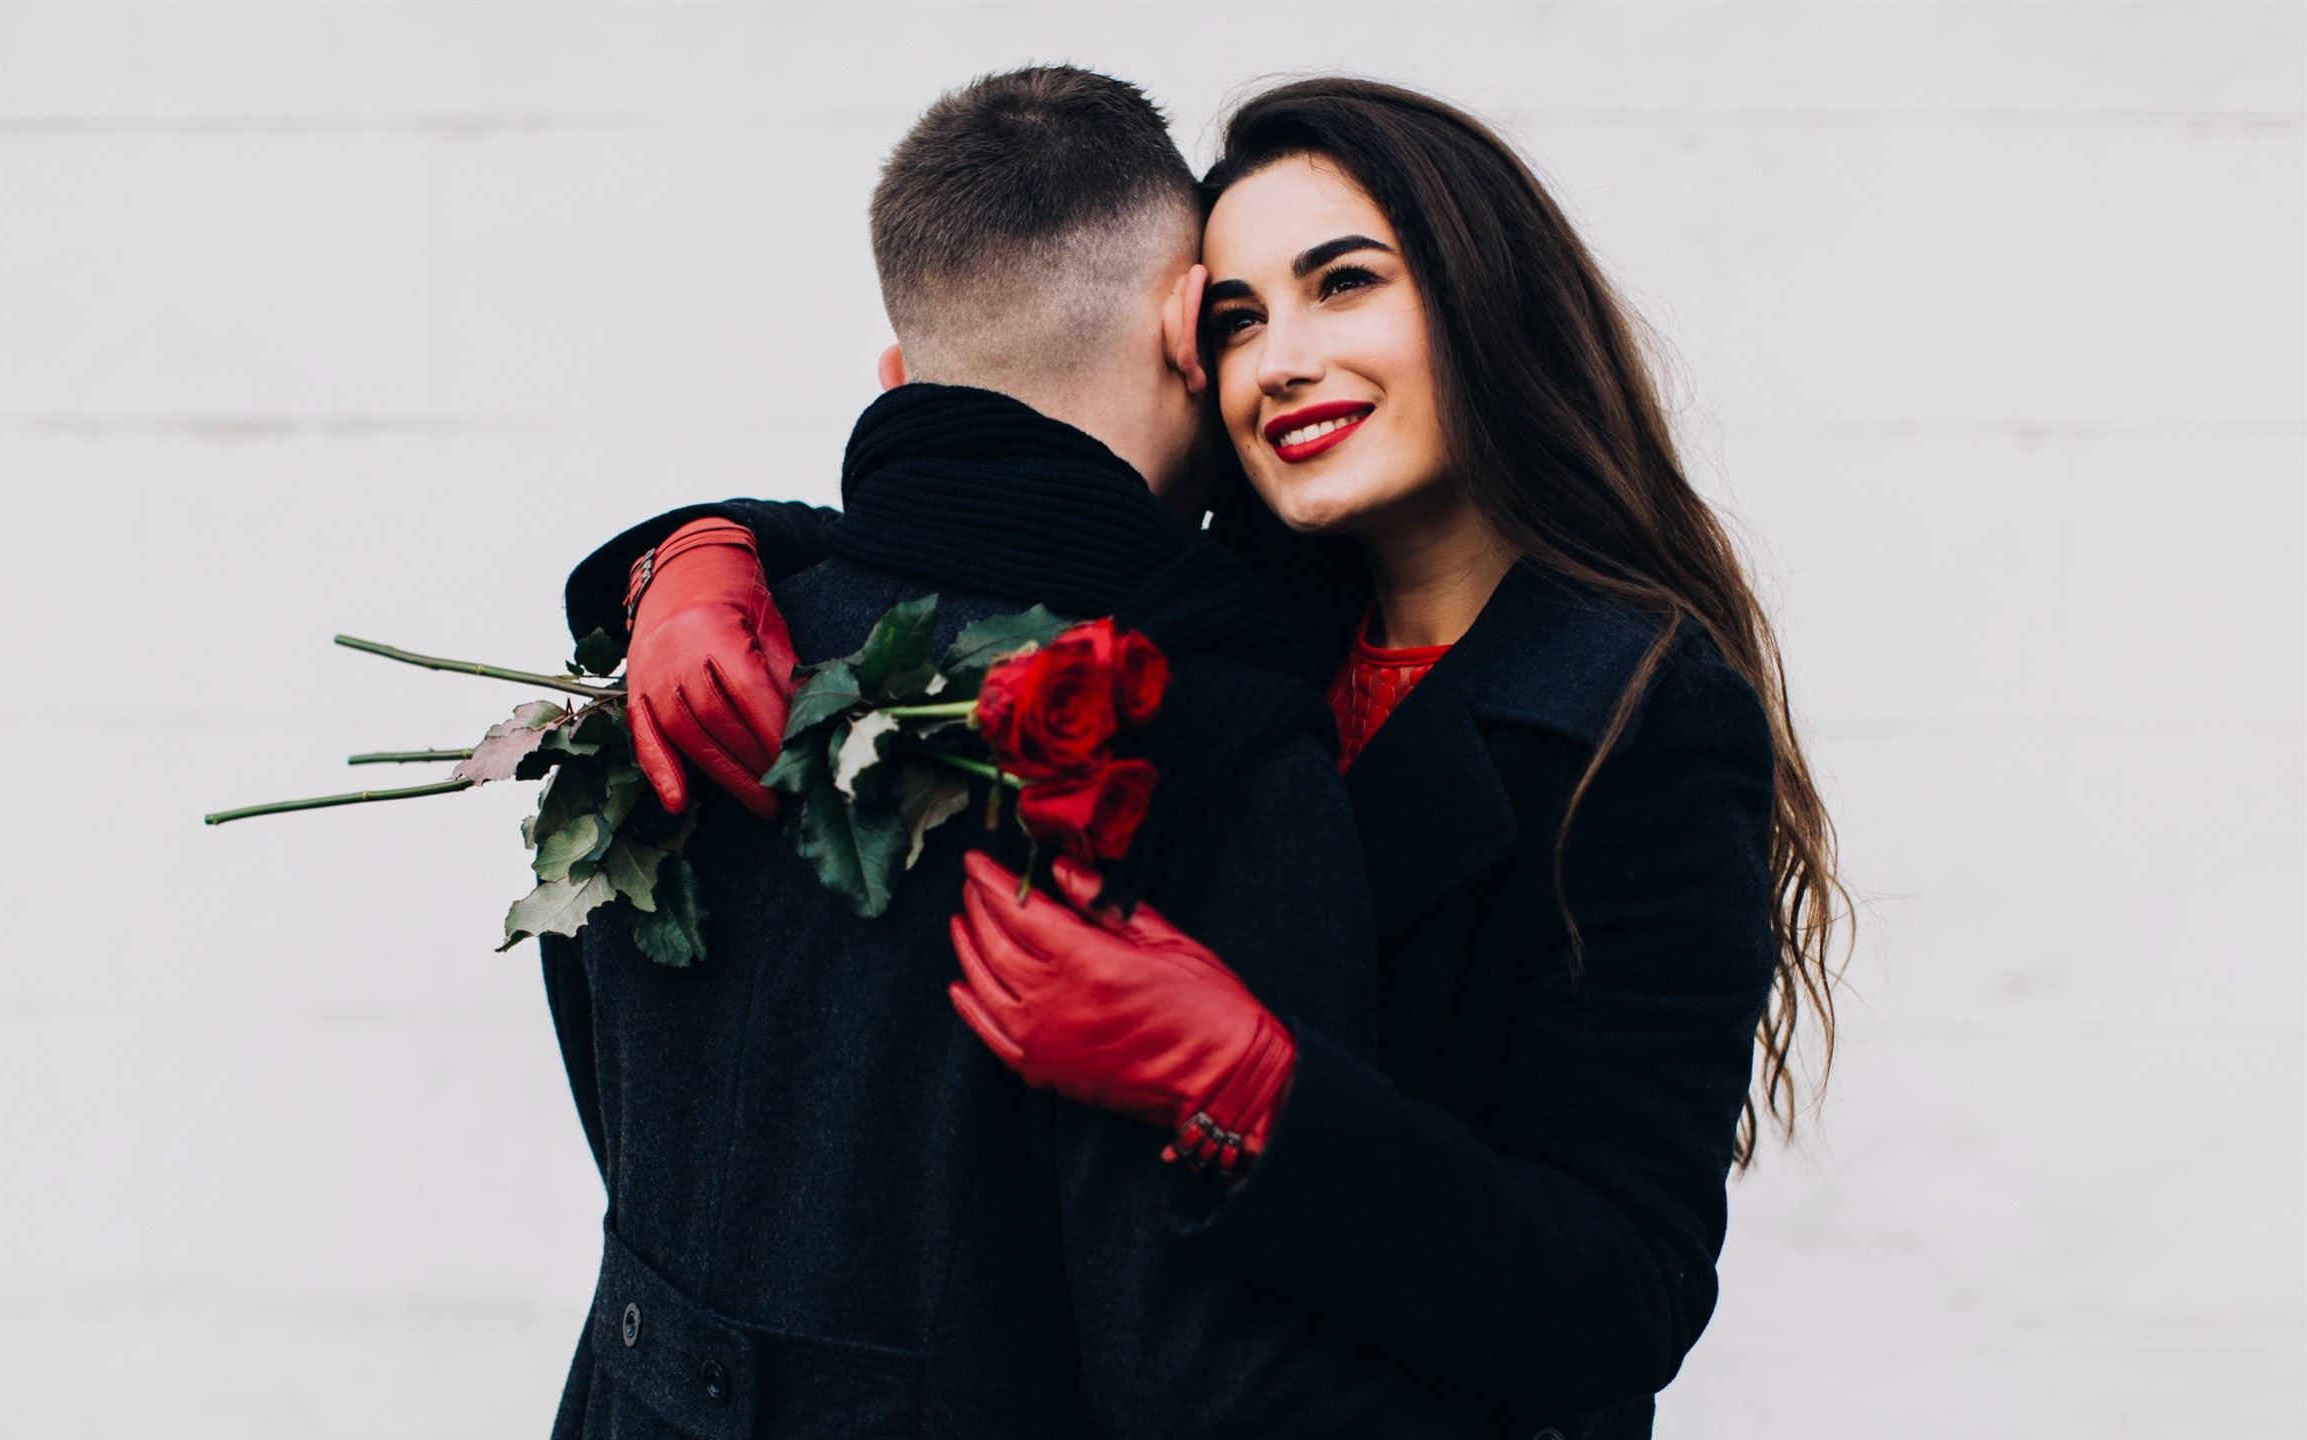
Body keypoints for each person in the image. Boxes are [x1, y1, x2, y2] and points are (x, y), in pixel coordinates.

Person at [578, 77, 1850, 1439]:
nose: (1278, 360)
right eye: (1238, 320)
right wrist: (692, 555)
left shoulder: (1640, 716)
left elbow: (1622, 1293)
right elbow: (953, 512)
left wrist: (1251, 1085)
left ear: (1483, 299)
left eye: (1342, 284)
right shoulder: (1243, 614)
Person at [538, 67, 1464, 1440]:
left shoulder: (662, 682)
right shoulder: (1208, 742)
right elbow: (1228, 1385)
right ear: (1180, 331)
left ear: (901, 378)